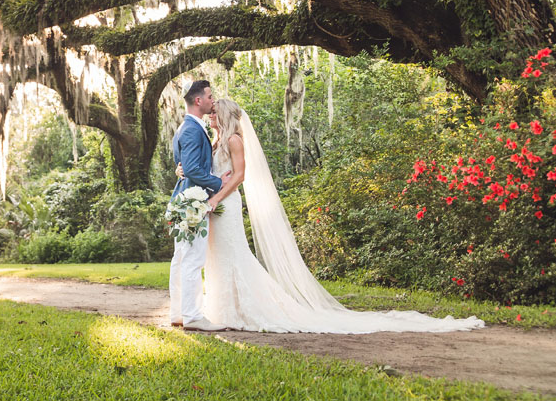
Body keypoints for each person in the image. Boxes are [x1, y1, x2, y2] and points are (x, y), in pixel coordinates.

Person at [176, 98, 485, 333]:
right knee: (217, 260)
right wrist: (184, 171)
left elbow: (239, 176)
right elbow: (202, 169)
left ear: (226, 114)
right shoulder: (215, 140)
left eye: (215, 110)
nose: (210, 112)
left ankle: (240, 311)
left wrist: (215, 199)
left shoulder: (234, 140)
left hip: (224, 206)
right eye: (210, 109)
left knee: (235, 257)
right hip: (214, 208)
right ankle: (220, 310)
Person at [168, 79, 231, 332]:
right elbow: (191, 169)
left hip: (182, 198)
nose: (211, 100)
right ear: (198, 101)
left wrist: (182, 170)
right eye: (209, 96)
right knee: (192, 259)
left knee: (181, 258)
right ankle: (193, 317)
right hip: (193, 200)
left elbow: (180, 165)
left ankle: (179, 313)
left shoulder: (184, 127)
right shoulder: (193, 129)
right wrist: (217, 181)